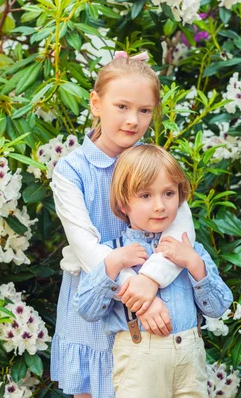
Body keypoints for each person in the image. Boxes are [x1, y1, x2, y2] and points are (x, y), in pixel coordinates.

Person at [49, 52, 195, 398]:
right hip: (98, 295)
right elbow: (86, 247)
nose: (133, 120)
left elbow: (180, 230)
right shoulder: (71, 171)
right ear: (96, 103)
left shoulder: (153, 160)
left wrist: (150, 281)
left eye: (145, 110)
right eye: (122, 107)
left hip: (153, 291)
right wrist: (137, 293)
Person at [75, 144, 233, 398]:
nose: (159, 205)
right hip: (140, 360)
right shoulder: (112, 252)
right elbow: (87, 310)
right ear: (124, 204)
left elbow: (219, 306)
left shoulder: (189, 249)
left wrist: (194, 265)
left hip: (190, 359)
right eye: (146, 195)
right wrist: (113, 264)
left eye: (168, 193)